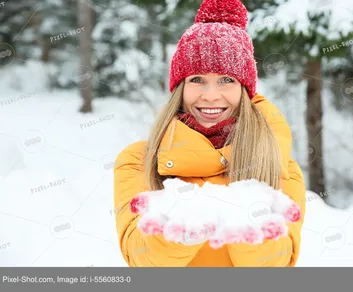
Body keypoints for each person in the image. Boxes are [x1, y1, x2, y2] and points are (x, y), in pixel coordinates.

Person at [114, 0, 306, 267]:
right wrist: (174, 236)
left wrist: (251, 235)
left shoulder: (277, 163)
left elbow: (279, 264)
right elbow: (139, 259)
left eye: (227, 80)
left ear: (245, 91)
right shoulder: (138, 161)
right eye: (197, 79)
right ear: (179, 88)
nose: (211, 95)